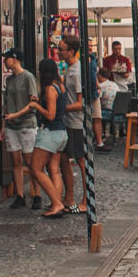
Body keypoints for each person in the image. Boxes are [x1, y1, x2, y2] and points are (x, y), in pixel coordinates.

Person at [1, 48, 41, 210]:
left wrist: (16, 114)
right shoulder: (9, 80)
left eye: (7, 58)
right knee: (16, 161)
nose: (4, 61)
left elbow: (34, 103)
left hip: (26, 123)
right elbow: (6, 104)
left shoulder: (28, 77)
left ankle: (36, 194)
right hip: (11, 125)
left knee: (31, 162)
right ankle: (20, 195)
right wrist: (3, 125)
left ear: (15, 59)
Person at [27, 58, 68, 218]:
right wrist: (41, 103)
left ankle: (56, 204)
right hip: (61, 133)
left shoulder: (50, 89)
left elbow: (50, 115)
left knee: (36, 168)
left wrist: (37, 106)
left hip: (50, 133)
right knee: (54, 170)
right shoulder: (60, 86)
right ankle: (56, 202)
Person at [58, 34, 87, 216]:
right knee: (64, 159)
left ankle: (86, 200)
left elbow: (80, 103)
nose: (58, 52)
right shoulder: (69, 69)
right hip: (68, 121)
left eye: (61, 49)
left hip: (76, 122)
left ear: (71, 51)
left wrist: (61, 109)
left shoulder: (77, 72)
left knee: (81, 161)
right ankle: (69, 198)